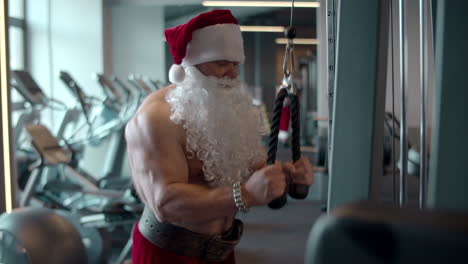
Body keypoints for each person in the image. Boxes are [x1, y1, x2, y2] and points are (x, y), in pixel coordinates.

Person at [125, 9, 314, 264]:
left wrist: (286, 174)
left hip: (220, 250)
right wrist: (245, 195)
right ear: (191, 65)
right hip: (169, 253)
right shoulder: (156, 118)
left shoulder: (223, 107)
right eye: (222, 63)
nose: (233, 74)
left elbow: (251, 166)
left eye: (235, 64)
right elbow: (165, 203)